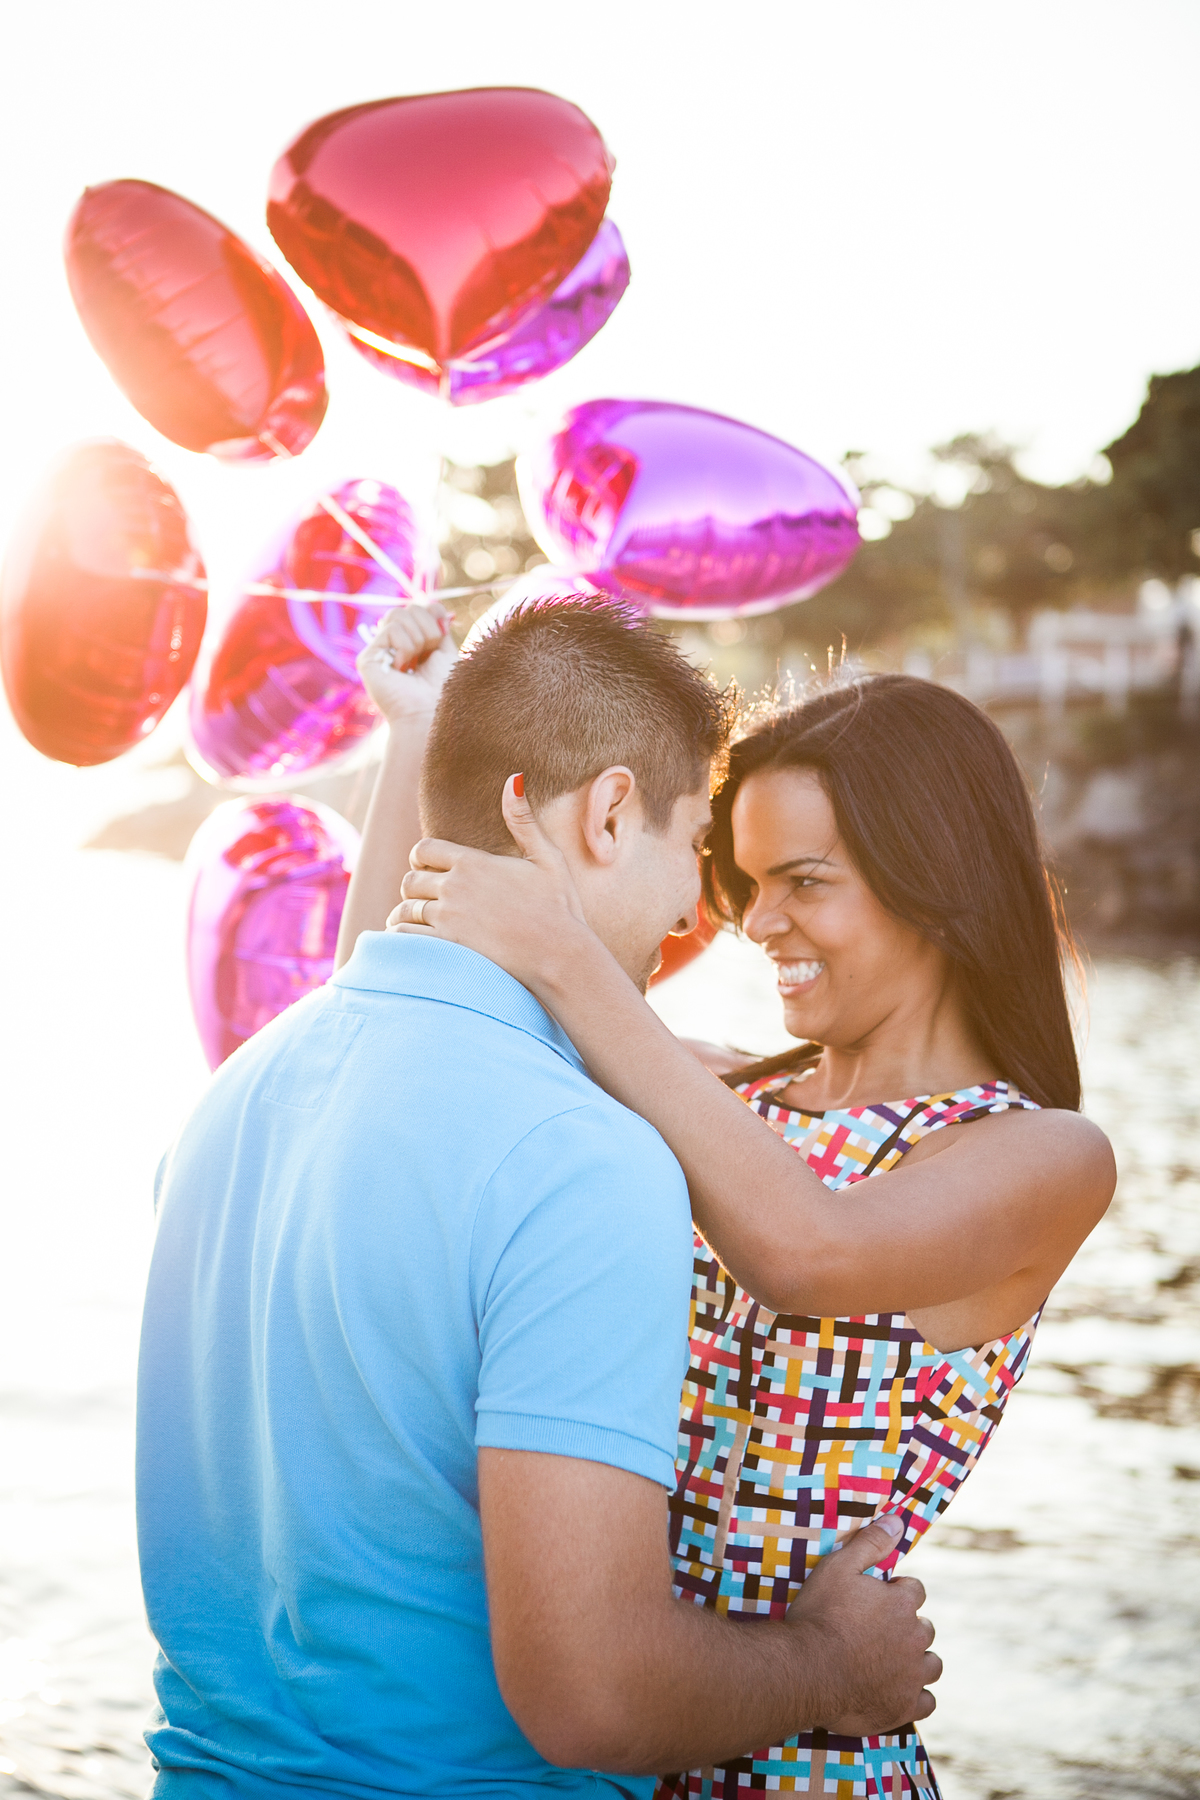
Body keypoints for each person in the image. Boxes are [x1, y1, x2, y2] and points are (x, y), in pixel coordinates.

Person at [136, 597, 940, 1800]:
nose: (690, 915)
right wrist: (833, 1662)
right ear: (610, 814)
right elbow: (591, 1696)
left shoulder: (238, 1096)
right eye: (691, 851)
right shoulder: (582, 1160)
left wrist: (413, 734)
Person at [389, 644, 1117, 1799]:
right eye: (745, 879)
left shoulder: (1037, 1154)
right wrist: (419, 735)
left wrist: (574, 964)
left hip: (800, 1752)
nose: (753, 921)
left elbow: (806, 1251)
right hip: (607, 1730)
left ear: (940, 879)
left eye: (805, 881)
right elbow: (424, 1022)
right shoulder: (722, 1095)